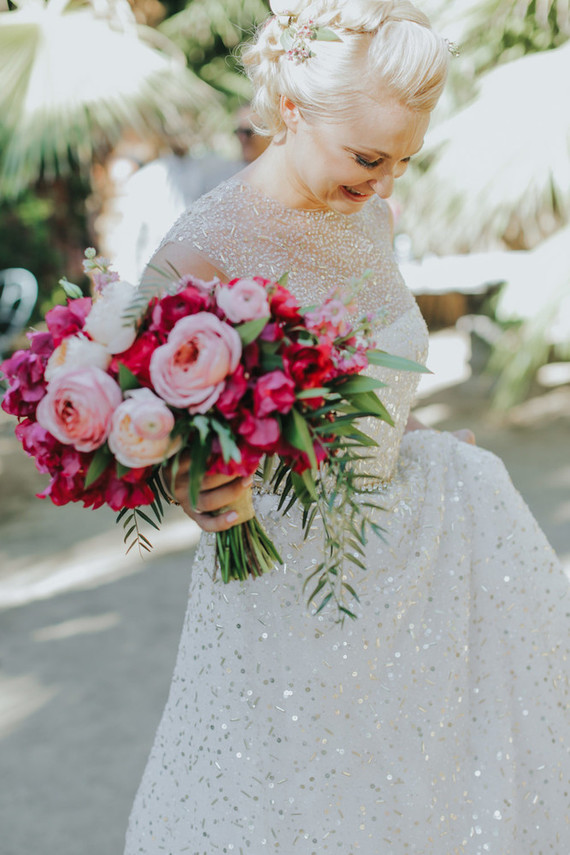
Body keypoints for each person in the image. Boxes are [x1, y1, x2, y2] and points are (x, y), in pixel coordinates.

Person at [124, 2, 569, 852]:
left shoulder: (369, 211)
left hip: (435, 545)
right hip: (291, 583)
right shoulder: (202, 249)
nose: (386, 184)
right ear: (292, 111)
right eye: (368, 157)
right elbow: (131, 423)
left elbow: (365, 373)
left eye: (405, 159)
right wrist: (186, 482)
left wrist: (406, 434)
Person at [108, 105, 269, 283]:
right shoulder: (146, 178)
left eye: (248, 132)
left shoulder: (215, 167)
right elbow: (129, 241)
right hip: (155, 277)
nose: (242, 138)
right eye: (238, 131)